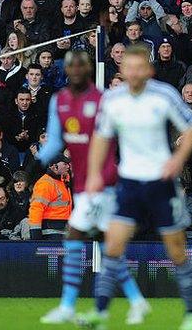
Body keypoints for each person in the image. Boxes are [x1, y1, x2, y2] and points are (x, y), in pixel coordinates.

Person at [81, 46, 192, 330]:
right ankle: (99, 313)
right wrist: (93, 175)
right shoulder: (112, 100)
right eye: (129, 67)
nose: (134, 72)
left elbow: (191, 129)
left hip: (161, 183)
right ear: (122, 70)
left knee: (176, 250)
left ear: (149, 70)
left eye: (140, 67)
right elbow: (101, 137)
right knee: (112, 246)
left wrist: (177, 160)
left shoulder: (164, 95)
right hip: (129, 183)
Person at [36, 52, 148, 325]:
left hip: (103, 183)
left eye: (80, 65)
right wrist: (36, 160)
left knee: (74, 236)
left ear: (88, 70)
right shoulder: (59, 100)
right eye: (71, 66)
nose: (75, 70)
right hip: (83, 184)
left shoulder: (104, 102)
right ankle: (137, 300)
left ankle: (67, 305)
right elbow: (53, 144)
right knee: (106, 246)